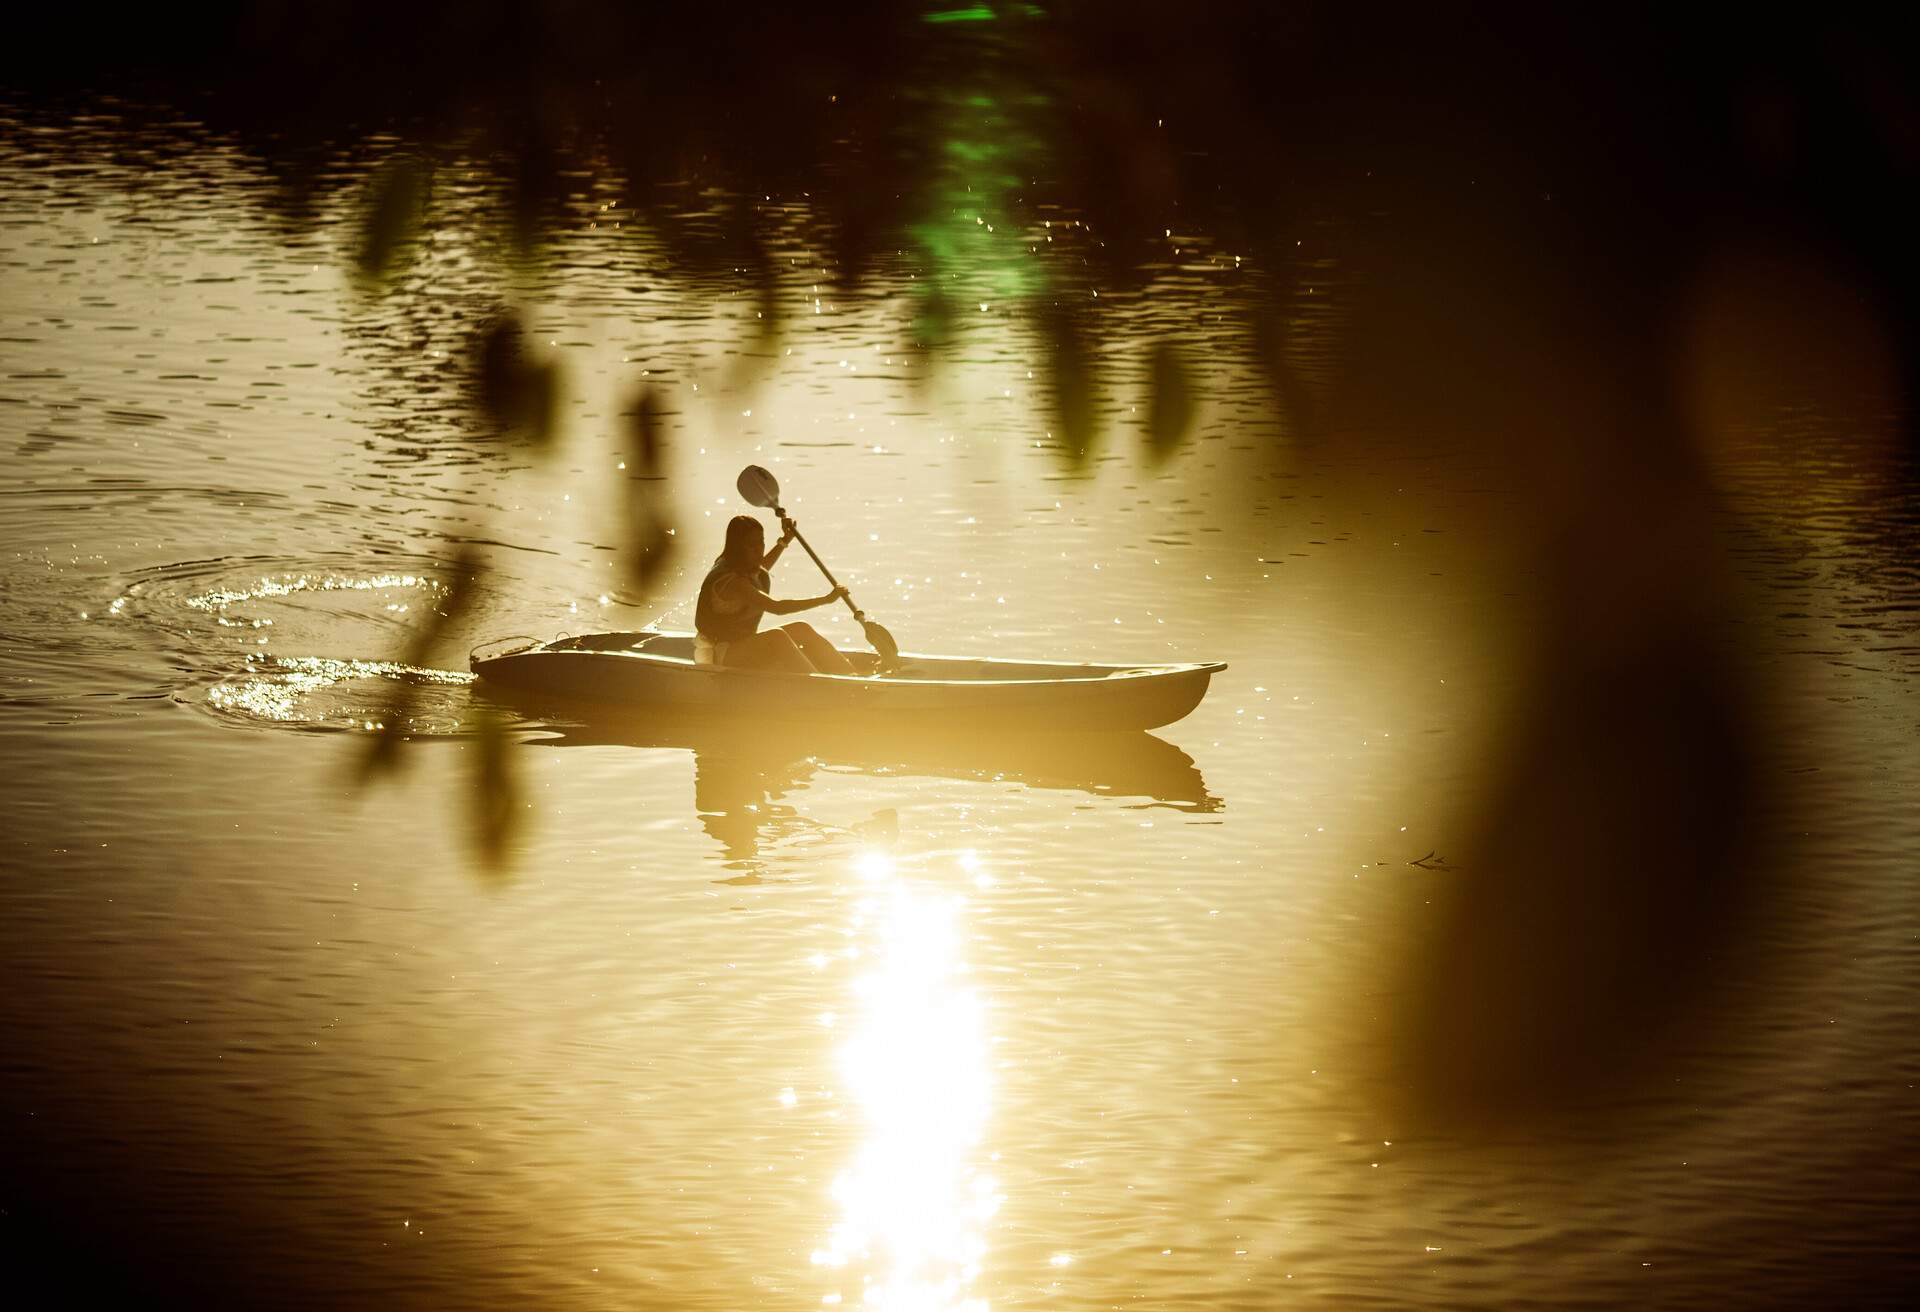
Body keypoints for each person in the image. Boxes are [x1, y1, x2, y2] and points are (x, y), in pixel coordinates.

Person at [693, 514, 858, 673]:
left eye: (761, 542)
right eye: (752, 544)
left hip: (739, 648)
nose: (759, 550)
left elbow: (762, 568)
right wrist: (826, 599)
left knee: (801, 629)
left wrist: (785, 540)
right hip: (719, 655)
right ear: (738, 547)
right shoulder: (733, 583)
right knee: (777, 638)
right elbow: (777, 607)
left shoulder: (742, 566)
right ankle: (822, 685)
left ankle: (851, 676)